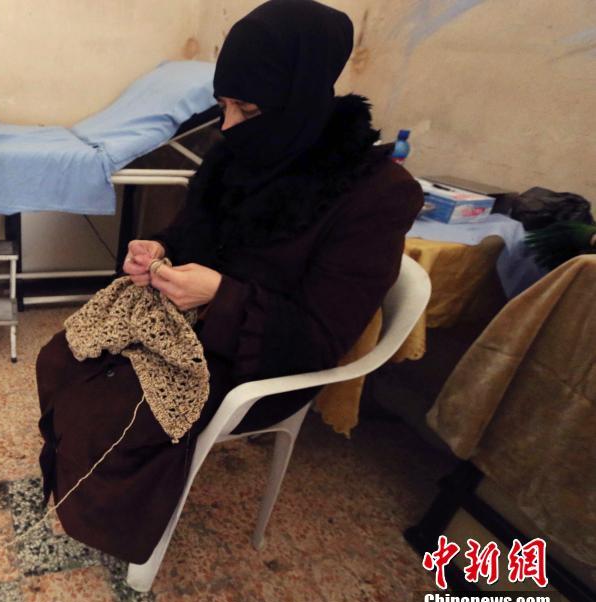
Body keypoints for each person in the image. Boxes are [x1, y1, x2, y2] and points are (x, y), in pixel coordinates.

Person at [35, 0, 424, 564]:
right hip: (194, 323)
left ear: (301, 96)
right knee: (63, 354)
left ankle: (113, 526)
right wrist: (158, 250)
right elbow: (191, 232)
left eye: (248, 108)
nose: (228, 126)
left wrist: (221, 295)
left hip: (265, 358)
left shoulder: (375, 194)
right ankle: (79, 480)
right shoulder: (235, 156)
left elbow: (319, 339)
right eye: (223, 106)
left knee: (112, 410)